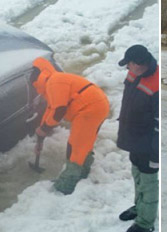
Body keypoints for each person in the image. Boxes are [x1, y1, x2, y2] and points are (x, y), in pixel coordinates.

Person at [31, 57, 110, 195]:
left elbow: (59, 111)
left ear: (40, 76)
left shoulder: (54, 82)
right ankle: (83, 172)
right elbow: (51, 110)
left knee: (75, 148)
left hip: (89, 108)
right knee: (85, 143)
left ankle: (67, 184)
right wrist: (41, 132)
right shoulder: (52, 84)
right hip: (97, 104)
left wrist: (44, 130)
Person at [115, 45, 159, 232]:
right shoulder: (135, 75)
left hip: (149, 145)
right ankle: (139, 206)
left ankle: (146, 222)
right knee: (136, 173)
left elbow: (159, 126)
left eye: (128, 65)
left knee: (148, 180)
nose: (127, 69)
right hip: (134, 138)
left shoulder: (156, 85)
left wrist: (155, 155)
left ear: (138, 64)